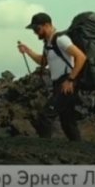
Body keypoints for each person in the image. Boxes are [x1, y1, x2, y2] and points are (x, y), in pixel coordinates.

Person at [17, 12, 87, 141]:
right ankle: (79, 150)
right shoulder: (48, 44)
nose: (35, 33)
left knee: (45, 117)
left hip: (66, 83)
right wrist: (28, 51)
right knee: (68, 122)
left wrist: (70, 80)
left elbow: (81, 57)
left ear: (47, 25)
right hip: (59, 83)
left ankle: (44, 149)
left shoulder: (61, 39)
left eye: (37, 29)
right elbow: (42, 61)